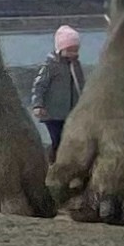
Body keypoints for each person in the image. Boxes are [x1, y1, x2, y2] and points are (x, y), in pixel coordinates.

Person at [31, 25, 85, 159]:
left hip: (71, 112)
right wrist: (38, 105)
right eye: (70, 50)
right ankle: (54, 161)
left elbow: (81, 84)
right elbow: (39, 85)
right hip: (52, 113)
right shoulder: (50, 66)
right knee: (57, 139)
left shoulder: (75, 65)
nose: (73, 54)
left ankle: (66, 160)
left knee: (69, 139)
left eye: (76, 50)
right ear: (60, 49)